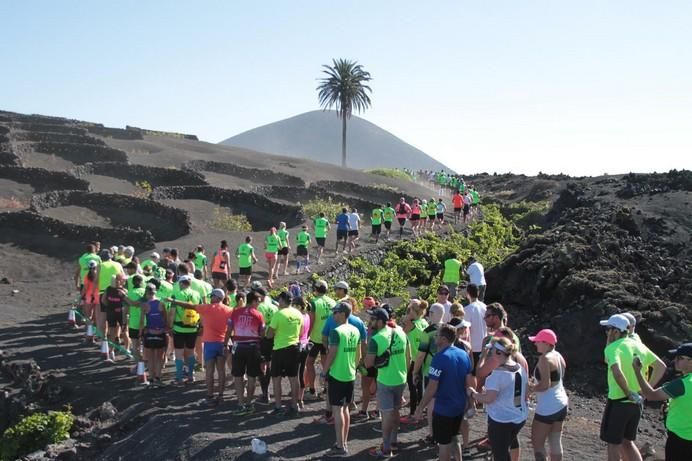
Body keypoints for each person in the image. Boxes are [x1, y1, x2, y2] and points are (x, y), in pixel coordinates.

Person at [599, 314, 666, 461]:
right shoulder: (638, 345)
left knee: (613, 444)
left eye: (608, 330)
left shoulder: (613, 348)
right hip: (637, 403)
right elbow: (661, 366)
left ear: (616, 331)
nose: (606, 333)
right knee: (627, 442)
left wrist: (628, 393)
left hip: (619, 402)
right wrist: (646, 390)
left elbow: (617, 372)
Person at [414, 324, 473, 461]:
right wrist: (470, 403)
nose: (435, 337)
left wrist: (420, 407)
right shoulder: (463, 354)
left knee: (444, 445)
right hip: (459, 407)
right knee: (454, 437)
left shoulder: (439, 358)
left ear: (444, 339)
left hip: (444, 409)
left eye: (437, 335)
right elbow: (469, 382)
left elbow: (432, 388)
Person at [470, 337, 529, 461]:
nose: (490, 353)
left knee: (500, 454)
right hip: (519, 416)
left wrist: (474, 394)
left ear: (498, 352)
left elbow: (489, 398)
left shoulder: (498, 374)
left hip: (502, 420)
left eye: (491, 350)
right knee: (506, 448)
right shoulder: (519, 367)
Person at [171, 288, 233, 404]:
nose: (210, 298)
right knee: (221, 371)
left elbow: (190, 306)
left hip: (210, 344)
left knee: (209, 371)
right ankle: (220, 395)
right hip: (223, 343)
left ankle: (209, 396)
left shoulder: (206, 308)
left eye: (211, 296)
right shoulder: (229, 310)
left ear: (215, 297)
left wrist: (174, 301)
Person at [633, 342, 692, 460]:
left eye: (680, 358)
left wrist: (638, 372)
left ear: (691, 361)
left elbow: (650, 395)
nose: (675, 360)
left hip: (680, 439)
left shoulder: (681, 384)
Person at [366, 307, 411, 459]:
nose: (369, 321)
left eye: (372, 319)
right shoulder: (400, 332)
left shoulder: (376, 339)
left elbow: (368, 364)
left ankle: (385, 448)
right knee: (396, 410)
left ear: (379, 321)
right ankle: (394, 441)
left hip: (386, 380)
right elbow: (408, 356)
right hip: (401, 378)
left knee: (386, 414)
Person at [320, 302, 361, 458]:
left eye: (336, 312)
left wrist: (324, 372)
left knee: (337, 410)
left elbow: (332, 354)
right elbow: (359, 355)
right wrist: (354, 368)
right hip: (350, 374)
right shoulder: (355, 330)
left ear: (343, 313)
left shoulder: (336, 332)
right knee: (345, 409)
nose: (333, 315)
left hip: (337, 374)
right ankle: (343, 442)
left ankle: (340, 446)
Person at [528, 329, 568, 461]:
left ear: (546, 343)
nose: (535, 344)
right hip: (561, 403)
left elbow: (545, 385)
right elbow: (555, 381)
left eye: (537, 341)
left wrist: (530, 388)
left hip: (548, 407)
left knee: (537, 444)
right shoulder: (558, 356)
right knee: (555, 441)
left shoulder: (544, 359)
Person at [228, 290, 265, 415]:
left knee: (238, 376)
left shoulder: (236, 312)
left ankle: (240, 404)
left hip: (238, 346)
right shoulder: (258, 314)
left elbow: (229, 329)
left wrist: (225, 343)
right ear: (253, 301)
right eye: (258, 302)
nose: (259, 304)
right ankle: (249, 403)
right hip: (253, 347)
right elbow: (262, 333)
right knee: (252, 376)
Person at [266, 291, 303, 416]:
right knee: (294, 378)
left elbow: (269, 334)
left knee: (276, 378)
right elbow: (301, 331)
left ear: (282, 300)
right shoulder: (298, 313)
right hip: (294, 347)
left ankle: (278, 406)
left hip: (280, 349)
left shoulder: (279, 314)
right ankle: (294, 405)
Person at [304, 280, 337, 401]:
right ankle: (327, 389)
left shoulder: (313, 302)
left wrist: (306, 336)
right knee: (326, 364)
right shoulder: (333, 302)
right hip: (329, 338)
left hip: (315, 338)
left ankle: (312, 390)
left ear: (315, 289)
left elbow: (311, 321)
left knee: (309, 363)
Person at [168, 275, 202, 384]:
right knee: (190, 352)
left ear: (182, 283)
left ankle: (179, 377)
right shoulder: (197, 295)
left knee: (179, 353)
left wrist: (170, 327)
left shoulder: (176, 295)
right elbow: (201, 311)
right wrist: (200, 325)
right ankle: (191, 376)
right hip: (192, 328)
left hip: (179, 328)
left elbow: (172, 313)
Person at [400, 299, 429, 424]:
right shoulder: (424, 322)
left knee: (413, 388)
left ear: (413, 311)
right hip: (423, 359)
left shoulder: (410, 324)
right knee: (420, 387)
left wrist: (407, 316)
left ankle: (413, 414)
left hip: (413, 359)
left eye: (409, 309)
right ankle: (420, 411)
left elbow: (401, 332)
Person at [136, 284, 168, 386]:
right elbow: (165, 319)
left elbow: (141, 321)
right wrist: (167, 329)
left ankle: (151, 378)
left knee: (150, 357)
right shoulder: (161, 303)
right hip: (160, 333)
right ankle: (158, 378)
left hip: (149, 333)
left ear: (146, 292)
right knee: (159, 357)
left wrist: (140, 333)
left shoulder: (144, 305)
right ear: (155, 292)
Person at [101, 274, 128, 362]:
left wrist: (109, 306)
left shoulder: (108, 289)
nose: (124, 281)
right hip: (121, 313)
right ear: (119, 281)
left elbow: (103, 300)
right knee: (125, 331)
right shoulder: (123, 291)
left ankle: (111, 350)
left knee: (112, 331)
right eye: (123, 280)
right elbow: (128, 302)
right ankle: (127, 350)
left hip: (111, 312)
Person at [463, 283, 487, 375]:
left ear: (467, 293)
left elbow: (465, 330)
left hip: (472, 347)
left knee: (472, 374)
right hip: (484, 346)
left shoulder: (467, 309)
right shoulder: (485, 307)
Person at [293, 296, 311, 410]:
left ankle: (297, 400)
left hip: (299, 346)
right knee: (302, 372)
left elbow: (298, 333)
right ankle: (301, 398)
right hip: (305, 345)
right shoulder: (307, 315)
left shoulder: (299, 316)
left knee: (296, 375)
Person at [80, 260, 100, 341]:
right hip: (98, 297)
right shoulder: (99, 275)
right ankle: (96, 334)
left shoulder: (87, 276)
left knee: (88, 316)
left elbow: (85, 288)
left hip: (89, 297)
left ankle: (89, 334)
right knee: (96, 317)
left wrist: (81, 296)